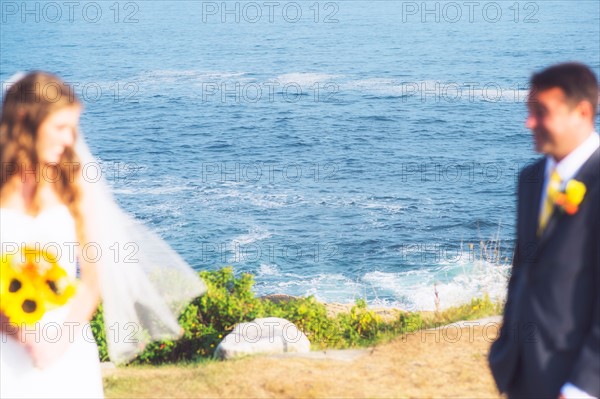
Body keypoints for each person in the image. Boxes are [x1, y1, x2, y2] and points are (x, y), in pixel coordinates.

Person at [0, 72, 206, 398]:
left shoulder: (73, 183)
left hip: (67, 346)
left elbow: (93, 281)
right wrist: (21, 334)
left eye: (73, 128)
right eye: (60, 127)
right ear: (25, 119)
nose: (70, 140)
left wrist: (56, 344)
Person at [488, 62, 599, 398]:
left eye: (541, 112)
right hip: (523, 371)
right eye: (529, 111)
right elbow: (523, 268)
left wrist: (585, 385)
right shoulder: (531, 178)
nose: (529, 123)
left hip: (578, 380)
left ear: (581, 112)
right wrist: (504, 352)